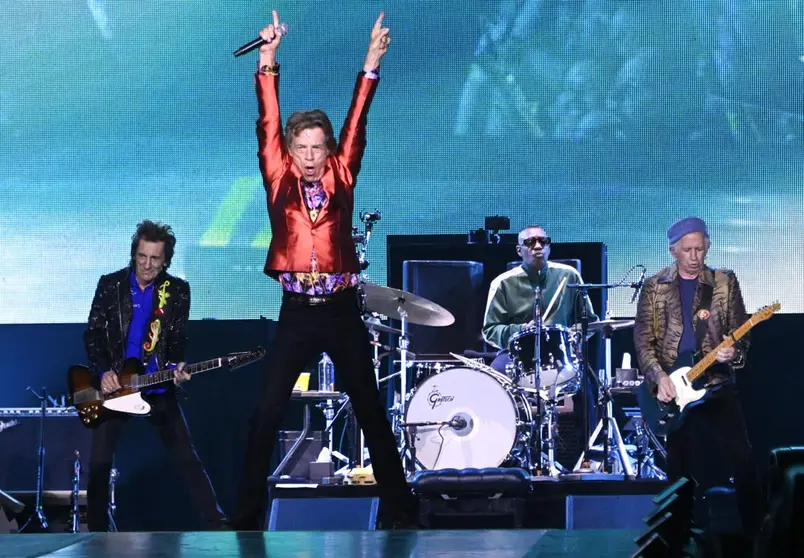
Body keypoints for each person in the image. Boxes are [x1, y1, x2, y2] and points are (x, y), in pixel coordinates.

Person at [232, 11, 416, 530]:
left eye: (319, 148)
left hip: (340, 311)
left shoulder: (342, 172)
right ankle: (245, 518)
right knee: (265, 415)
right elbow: (268, 120)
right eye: (302, 149)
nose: (311, 157)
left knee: (372, 413)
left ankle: (404, 514)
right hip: (295, 313)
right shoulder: (277, 176)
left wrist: (371, 64)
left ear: (329, 150)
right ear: (289, 152)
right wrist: (267, 61)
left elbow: (358, 117)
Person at [83, 220, 226, 531]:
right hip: (116, 387)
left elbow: (176, 339)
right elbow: (93, 335)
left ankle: (219, 527)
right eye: (142, 257)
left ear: (166, 261)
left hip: (156, 385)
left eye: (155, 259)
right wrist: (104, 370)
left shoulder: (176, 291)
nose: (147, 265)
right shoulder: (110, 285)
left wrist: (176, 366)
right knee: (98, 465)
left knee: (188, 460)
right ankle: (95, 536)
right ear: (134, 254)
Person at [633, 217, 760, 535]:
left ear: (708, 247)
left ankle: (758, 533)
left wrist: (734, 351)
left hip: (715, 384)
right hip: (675, 391)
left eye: (700, 249)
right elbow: (643, 341)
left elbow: (740, 332)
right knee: (678, 470)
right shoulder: (654, 286)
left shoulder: (723, 282)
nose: (694, 256)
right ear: (673, 250)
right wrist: (659, 377)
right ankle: (677, 534)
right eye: (687, 250)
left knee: (742, 460)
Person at [483, 225, 598, 373]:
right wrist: (521, 330)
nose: (538, 246)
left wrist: (570, 338)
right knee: (496, 375)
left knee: (588, 385)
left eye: (543, 241)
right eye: (530, 242)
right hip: (517, 353)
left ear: (549, 247)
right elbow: (490, 330)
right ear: (519, 250)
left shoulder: (569, 276)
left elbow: (589, 321)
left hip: (561, 351)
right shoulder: (503, 283)